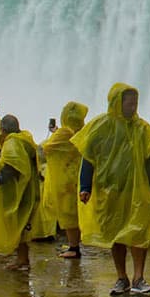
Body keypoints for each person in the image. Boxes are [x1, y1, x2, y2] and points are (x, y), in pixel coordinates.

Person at [72, 83, 150, 296]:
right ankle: (122, 278)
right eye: (129, 103)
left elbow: (148, 159)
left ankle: (139, 277)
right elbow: (89, 158)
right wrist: (85, 186)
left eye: (135, 103)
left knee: (139, 232)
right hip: (109, 190)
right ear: (117, 103)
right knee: (116, 235)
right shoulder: (101, 126)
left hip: (137, 191)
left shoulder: (141, 128)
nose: (133, 107)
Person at [0, 115, 40, 271]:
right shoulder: (25, 139)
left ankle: (22, 261)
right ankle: (22, 260)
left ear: (2, 129)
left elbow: (12, 165)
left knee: (18, 226)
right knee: (21, 226)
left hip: (17, 191)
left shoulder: (12, 142)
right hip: (27, 189)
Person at [42, 101, 88, 259]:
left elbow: (47, 148)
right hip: (76, 177)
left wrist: (55, 133)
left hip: (64, 179)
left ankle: (74, 248)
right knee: (74, 213)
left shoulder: (65, 132)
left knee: (68, 215)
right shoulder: (81, 132)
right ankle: (74, 245)